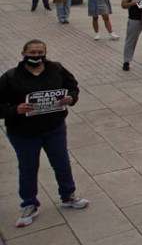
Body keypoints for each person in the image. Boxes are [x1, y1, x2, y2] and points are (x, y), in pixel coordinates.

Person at [0, 40, 90, 228]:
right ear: (24, 53)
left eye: (40, 52)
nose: (36, 55)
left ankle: (68, 195)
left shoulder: (56, 69)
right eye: (32, 52)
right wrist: (15, 109)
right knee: (28, 167)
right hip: (23, 132)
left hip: (54, 128)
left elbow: (73, 86)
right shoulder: (11, 77)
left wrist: (71, 98)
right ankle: (29, 204)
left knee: (62, 162)